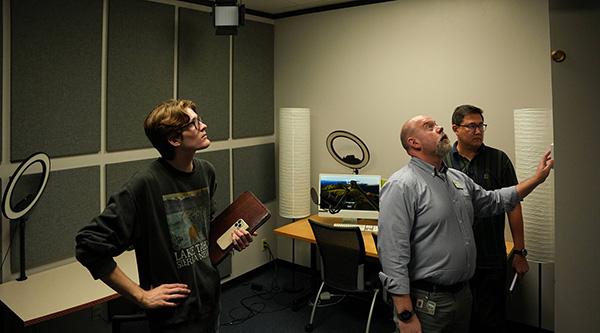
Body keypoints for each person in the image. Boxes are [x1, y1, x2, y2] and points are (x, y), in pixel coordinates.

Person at [75, 99, 254, 333]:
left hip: (210, 301)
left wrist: (233, 240)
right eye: (194, 123)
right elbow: (89, 245)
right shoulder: (143, 185)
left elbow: (203, 234)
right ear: (174, 140)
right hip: (173, 314)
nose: (204, 126)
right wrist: (141, 296)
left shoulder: (206, 172)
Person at [377, 115, 553, 333]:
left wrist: (537, 179)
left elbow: (494, 200)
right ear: (414, 143)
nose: (439, 127)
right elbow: (392, 253)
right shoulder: (402, 186)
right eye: (429, 127)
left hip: (462, 296)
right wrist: (405, 314)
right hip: (427, 302)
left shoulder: (456, 178)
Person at [443, 104, 528, 333]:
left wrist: (519, 251)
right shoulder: (443, 163)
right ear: (455, 128)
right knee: (460, 319)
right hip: (456, 259)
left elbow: (513, 204)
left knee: (492, 319)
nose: (478, 130)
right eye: (471, 126)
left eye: (481, 125)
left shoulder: (498, 160)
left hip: (491, 255)